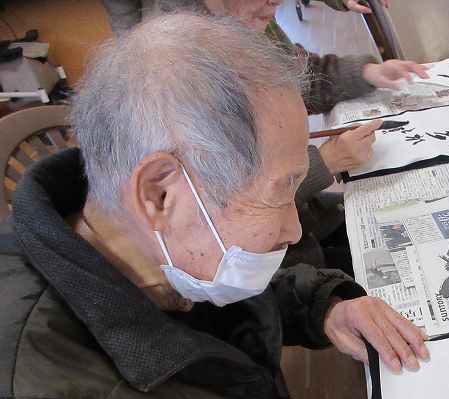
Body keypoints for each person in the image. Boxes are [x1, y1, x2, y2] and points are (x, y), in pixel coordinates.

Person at [0, 14, 449, 399]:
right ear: (159, 192)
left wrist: (321, 305)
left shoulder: (134, 240)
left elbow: (223, 290)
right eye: (280, 192)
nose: (294, 229)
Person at [101, 0, 429, 270]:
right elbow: (232, 215)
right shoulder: (179, 70)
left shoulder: (253, 20)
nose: (278, 3)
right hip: (267, 260)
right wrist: (326, 162)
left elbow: (302, 76)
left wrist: (367, 72)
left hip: (301, 227)